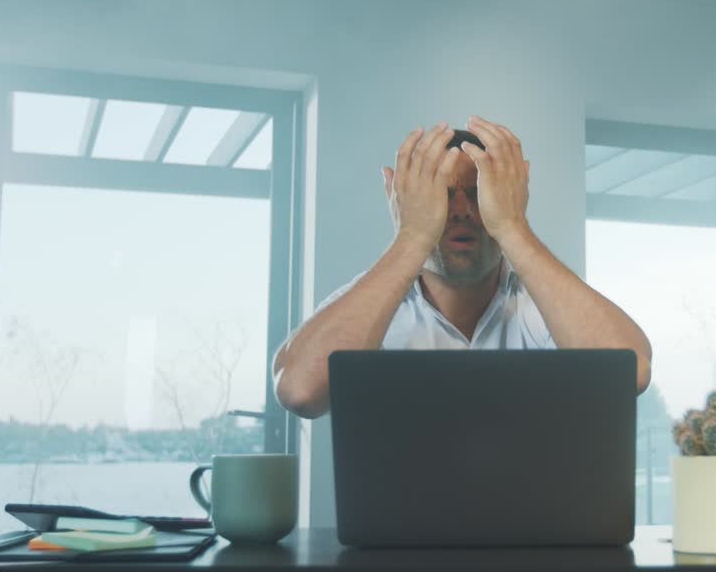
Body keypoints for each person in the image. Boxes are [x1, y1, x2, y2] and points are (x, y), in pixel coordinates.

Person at [273, 115, 652, 419]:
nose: (459, 210)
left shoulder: (537, 305)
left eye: (476, 194)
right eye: (440, 195)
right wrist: (412, 237)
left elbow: (631, 372)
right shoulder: (369, 305)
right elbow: (300, 391)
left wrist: (512, 226)